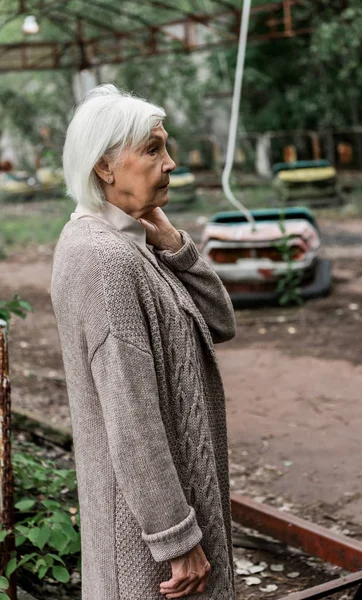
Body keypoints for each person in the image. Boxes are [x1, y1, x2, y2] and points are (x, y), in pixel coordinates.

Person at [51, 84, 236, 600]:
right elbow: (130, 418)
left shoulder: (131, 242)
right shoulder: (105, 260)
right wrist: (175, 538)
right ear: (104, 167)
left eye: (165, 147)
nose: (170, 162)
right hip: (150, 550)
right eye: (152, 149)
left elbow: (221, 322)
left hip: (165, 517)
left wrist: (173, 243)